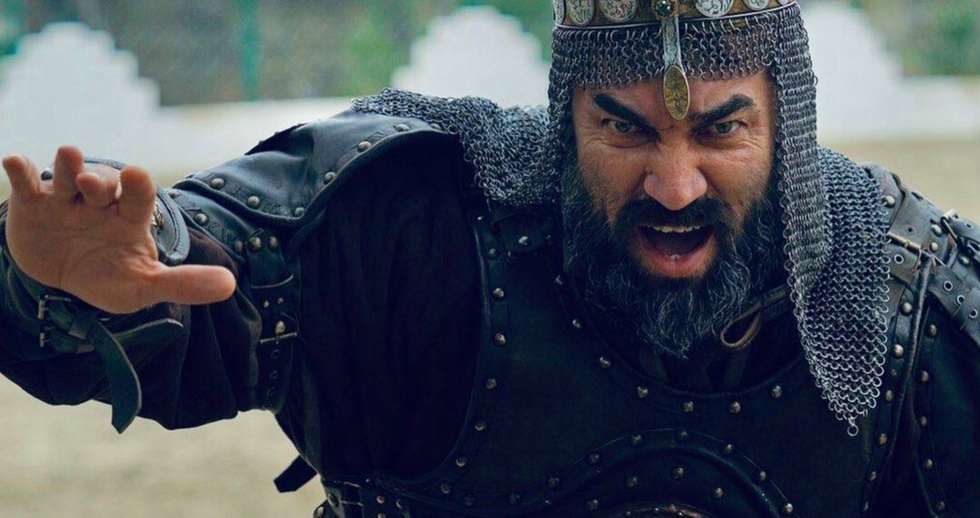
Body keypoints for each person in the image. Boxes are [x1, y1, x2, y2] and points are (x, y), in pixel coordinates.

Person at [1, 0, 977, 516]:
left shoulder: (902, 292)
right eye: (623, 128)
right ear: (565, 119)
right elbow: (216, 267)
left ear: (785, 127)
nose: (674, 185)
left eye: (721, 129)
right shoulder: (410, 226)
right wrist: (67, 279)